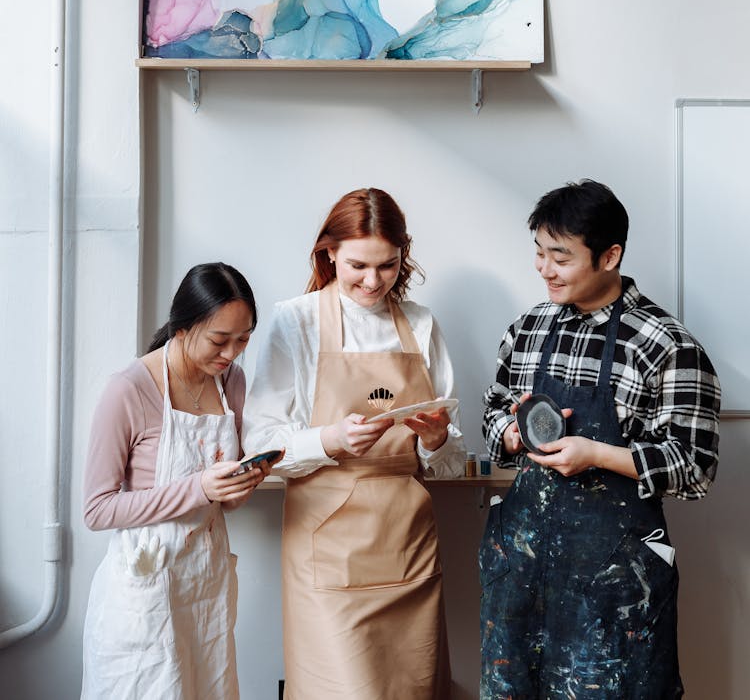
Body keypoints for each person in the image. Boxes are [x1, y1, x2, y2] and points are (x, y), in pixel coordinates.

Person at [480, 180, 721, 700]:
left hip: (612, 585)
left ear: (609, 255)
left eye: (560, 257)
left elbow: (695, 467)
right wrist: (516, 435)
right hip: (520, 573)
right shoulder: (528, 329)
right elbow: (494, 409)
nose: (545, 269)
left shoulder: (666, 345)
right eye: (539, 254)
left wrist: (597, 454)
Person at [244, 187, 465, 700]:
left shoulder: (422, 324)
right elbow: (261, 442)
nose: (372, 281)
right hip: (327, 551)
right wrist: (330, 439)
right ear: (329, 253)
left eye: (387, 266)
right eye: (358, 265)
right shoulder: (296, 321)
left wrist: (434, 441)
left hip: (408, 549)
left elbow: (450, 461)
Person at [81, 262, 277, 699]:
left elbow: (221, 502)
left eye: (243, 339)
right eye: (219, 340)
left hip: (205, 588)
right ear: (183, 327)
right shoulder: (129, 390)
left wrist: (240, 485)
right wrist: (199, 488)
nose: (231, 354)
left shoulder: (232, 382)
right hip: (144, 593)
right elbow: (97, 510)